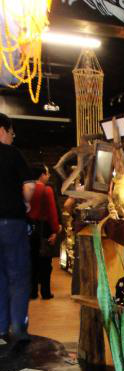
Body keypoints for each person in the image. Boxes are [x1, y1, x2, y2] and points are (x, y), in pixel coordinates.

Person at [0, 113, 35, 342]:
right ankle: (18, 327)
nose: (12, 137)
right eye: (11, 133)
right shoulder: (13, 154)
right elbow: (30, 186)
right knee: (18, 276)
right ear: (2, 130)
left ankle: (1, 329)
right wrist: (25, 201)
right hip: (11, 222)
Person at [27, 164, 60, 299]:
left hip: (29, 228)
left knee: (32, 261)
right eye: (47, 173)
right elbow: (52, 212)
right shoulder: (46, 190)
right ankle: (45, 292)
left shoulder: (25, 188)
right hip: (43, 229)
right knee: (45, 263)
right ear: (42, 175)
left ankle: (32, 292)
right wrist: (55, 230)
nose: (48, 176)